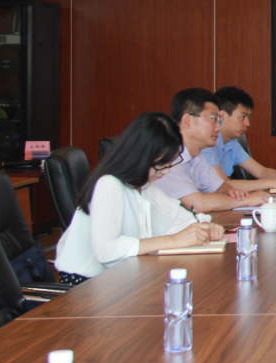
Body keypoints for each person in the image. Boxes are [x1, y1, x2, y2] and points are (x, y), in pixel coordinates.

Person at [55, 112, 224, 283]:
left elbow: (177, 219)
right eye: (161, 165)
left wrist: (204, 227)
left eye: (170, 164)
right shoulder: (109, 183)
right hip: (87, 283)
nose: (165, 171)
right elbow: (106, 250)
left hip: (122, 275)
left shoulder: (145, 185)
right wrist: (174, 240)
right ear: (141, 156)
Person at [155, 88, 269, 213]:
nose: (218, 127)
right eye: (213, 119)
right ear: (187, 121)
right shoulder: (168, 159)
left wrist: (231, 192)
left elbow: (220, 187)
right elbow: (198, 204)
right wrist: (246, 200)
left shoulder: (197, 156)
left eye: (219, 121)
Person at [201, 86, 276, 190]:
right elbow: (223, 185)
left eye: (248, 117)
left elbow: (261, 172)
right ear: (222, 116)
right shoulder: (207, 144)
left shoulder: (232, 143)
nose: (247, 123)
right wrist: (270, 183)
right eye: (243, 117)